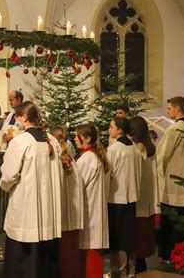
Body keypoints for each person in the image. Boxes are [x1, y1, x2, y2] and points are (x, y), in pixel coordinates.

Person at [0, 101, 62, 278]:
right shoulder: (53, 140)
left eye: (18, 117)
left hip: (27, 209)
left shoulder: (20, 142)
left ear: (24, 117)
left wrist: (4, 186)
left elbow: (8, 176)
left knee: (23, 261)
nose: (16, 121)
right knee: (45, 260)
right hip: (48, 209)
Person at [156, 96, 184, 261]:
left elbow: (162, 155)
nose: (168, 111)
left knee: (172, 223)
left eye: (169, 108)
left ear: (177, 109)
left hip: (174, 182)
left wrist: (159, 175)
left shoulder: (175, 129)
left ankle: (169, 254)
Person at [107, 117, 142, 278]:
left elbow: (109, 173)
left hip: (116, 197)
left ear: (119, 130)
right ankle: (132, 270)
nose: (109, 130)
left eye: (111, 127)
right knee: (130, 234)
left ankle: (119, 271)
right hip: (132, 196)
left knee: (118, 236)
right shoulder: (134, 147)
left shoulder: (114, 149)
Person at [74, 123, 109, 278]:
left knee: (91, 257)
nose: (74, 139)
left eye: (77, 136)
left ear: (87, 139)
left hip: (90, 212)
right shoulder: (91, 156)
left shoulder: (88, 159)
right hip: (92, 211)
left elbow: (77, 185)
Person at [50, 126, 83, 278]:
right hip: (73, 215)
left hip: (61, 216)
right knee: (71, 256)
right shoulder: (72, 161)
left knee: (62, 257)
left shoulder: (57, 164)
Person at [129, 116, 160, 273]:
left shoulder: (135, 149)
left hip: (138, 199)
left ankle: (137, 267)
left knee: (137, 239)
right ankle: (141, 266)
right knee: (143, 239)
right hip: (148, 199)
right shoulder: (150, 148)